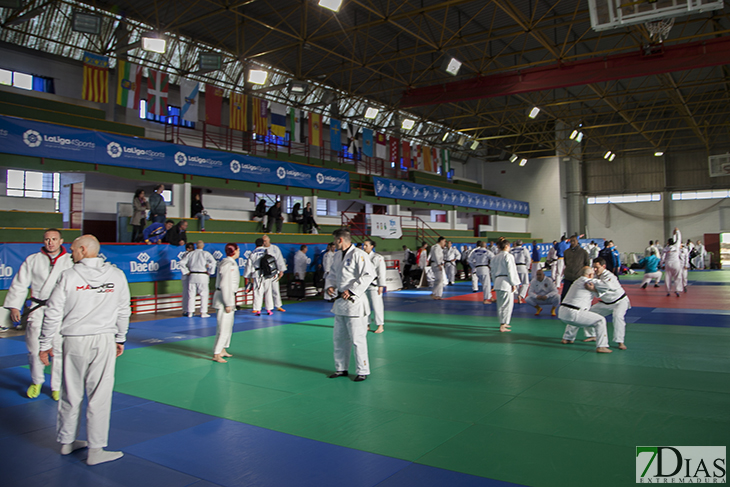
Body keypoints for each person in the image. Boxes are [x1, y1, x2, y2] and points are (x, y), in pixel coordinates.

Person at [40, 234, 130, 465]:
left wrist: (45, 343)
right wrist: (120, 337)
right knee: (99, 395)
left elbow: (53, 312)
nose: (71, 254)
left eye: (72, 250)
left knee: (71, 391)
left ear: (83, 250)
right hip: (103, 340)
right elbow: (123, 310)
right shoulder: (116, 276)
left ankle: (66, 442)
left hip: (74, 340)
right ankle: (95, 450)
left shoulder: (68, 276)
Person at [3, 228, 74, 400]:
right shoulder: (32, 260)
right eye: (47, 239)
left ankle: (57, 386)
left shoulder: (70, 261)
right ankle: (36, 381)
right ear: (43, 241)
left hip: (60, 310)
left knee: (58, 349)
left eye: (54, 239)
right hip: (38, 308)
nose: (50, 242)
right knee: (34, 348)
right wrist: (14, 306)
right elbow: (20, 284)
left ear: (61, 241)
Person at [325, 228, 376, 382]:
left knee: (357, 339)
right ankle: (341, 368)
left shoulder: (358, 254)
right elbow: (333, 273)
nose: (334, 243)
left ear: (340, 240)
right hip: (340, 302)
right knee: (339, 338)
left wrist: (353, 290)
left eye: (335, 240)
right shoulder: (337, 255)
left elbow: (369, 274)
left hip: (355, 303)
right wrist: (330, 286)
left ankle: (363, 370)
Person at [558, 266, 612, 353]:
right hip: (573, 313)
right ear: (590, 275)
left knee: (579, 316)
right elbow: (606, 286)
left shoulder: (577, 281)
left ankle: (567, 338)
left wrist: (593, 289)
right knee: (600, 320)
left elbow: (596, 290)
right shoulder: (588, 281)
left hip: (562, 312)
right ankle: (602, 346)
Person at [583, 257, 631, 350]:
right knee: (589, 313)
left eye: (597, 267)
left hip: (620, 301)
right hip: (606, 303)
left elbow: (606, 285)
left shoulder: (609, 276)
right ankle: (593, 335)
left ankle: (620, 341)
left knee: (618, 316)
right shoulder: (595, 276)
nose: (595, 270)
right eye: (594, 268)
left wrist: (591, 283)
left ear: (603, 266)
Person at [212, 243, 240, 363]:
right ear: (234, 251)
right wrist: (228, 303)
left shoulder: (230, 263)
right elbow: (225, 284)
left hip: (229, 296)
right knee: (223, 327)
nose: (239, 252)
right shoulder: (227, 264)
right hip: (224, 297)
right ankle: (216, 353)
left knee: (228, 326)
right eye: (238, 250)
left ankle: (223, 348)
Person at [179, 240, 216, 318]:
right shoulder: (206, 253)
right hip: (203, 276)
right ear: (203, 246)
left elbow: (181, 263)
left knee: (191, 295)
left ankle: (190, 312)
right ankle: (203, 312)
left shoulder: (190, 254)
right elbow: (214, 262)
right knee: (204, 294)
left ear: (196, 246)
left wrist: (186, 271)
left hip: (192, 275)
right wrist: (210, 271)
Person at [491, 238, 520, 332]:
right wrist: (514, 283)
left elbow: (492, 272)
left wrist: (494, 282)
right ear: (507, 246)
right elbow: (511, 271)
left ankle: (503, 323)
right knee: (507, 304)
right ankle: (503, 325)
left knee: (500, 305)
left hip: (498, 281)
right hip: (506, 281)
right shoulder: (508, 256)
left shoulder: (495, 257)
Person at [244, 238, 275, 316]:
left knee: (258, 292)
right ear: (263, 244)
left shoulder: (252, 253)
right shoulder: (267, 251)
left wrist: (247, 276)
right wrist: (275, 272)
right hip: (267, 273)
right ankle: (269, 309)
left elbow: (248, 266)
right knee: (268, 291)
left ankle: (258, 310)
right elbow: (272, 261)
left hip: (257, 274)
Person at [363, 239, 386, 334]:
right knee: (365, 305)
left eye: (366, 245)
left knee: (377, 306)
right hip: (363, 285)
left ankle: (380, 325)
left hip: (374, 285)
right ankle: (366, 324)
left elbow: (381, 272)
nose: (363, 247)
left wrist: (381, 285)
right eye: (363, 245)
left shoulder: (377, 257)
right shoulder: (361, 256)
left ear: (372, 246)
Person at [562, 235, 591, 301]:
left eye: (574, 241)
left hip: (578, 277)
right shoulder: (566, 252)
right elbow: (566, 263)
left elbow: (587, 265)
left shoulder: (583, 252)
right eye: (571, 241)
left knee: (579, 296)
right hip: (568, 277)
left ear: (577, 241)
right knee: (564, 296)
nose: (572, 242)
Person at [262, 235, 286, 312]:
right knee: (266, 290)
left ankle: (278, 305)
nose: (264, 242)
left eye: (266, 240)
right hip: (265, 273)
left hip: (274, 271)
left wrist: (281, 270)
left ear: (269, 240)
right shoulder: (261, 250)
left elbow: (279, 259)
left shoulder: (275, 248)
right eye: (263, 241)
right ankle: (268, 307)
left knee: (275, 289)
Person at [661, 228, 683, 297]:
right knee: (677, 277)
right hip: (676, 263)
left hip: (668, 264)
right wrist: (677, 231)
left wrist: (662, 264)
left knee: (667, 277)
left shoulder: (665, 249)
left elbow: (662, 257)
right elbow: (679, 239)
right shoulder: (676, 246)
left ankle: (668, 291)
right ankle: (677, 290)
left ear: (668, 243)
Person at [180, 242, 195, 316]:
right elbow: (182, 264)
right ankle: (186, 310)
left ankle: (191, 310)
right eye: (191, 248)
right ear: (187, 249)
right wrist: (187, 272)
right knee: (186, 293)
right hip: (186, 276)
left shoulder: (194, 255)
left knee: (192, 293)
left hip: (193, 275)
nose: (193, 249)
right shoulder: (185, 255)